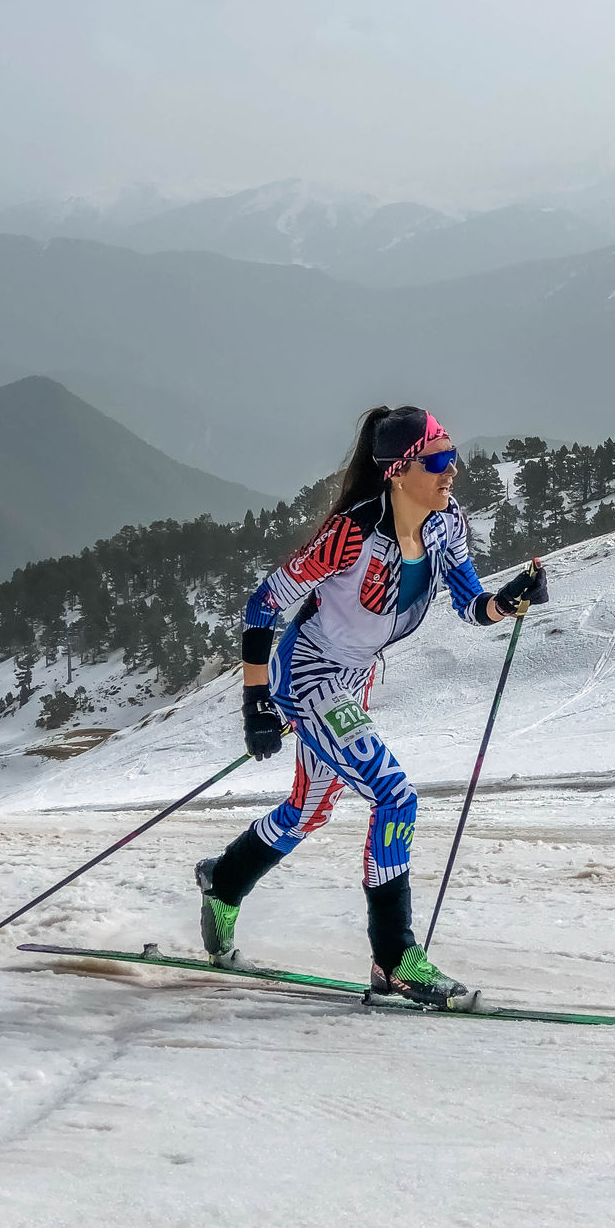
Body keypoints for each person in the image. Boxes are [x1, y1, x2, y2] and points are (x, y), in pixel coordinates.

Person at [195, 405, 548, 1007]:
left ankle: (224, 881)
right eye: (437, 460)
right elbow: (262, 607)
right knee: (394, 793)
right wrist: (256, 702)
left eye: (452, 456)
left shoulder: (444, 522)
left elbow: (469, 604)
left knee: (309, 808)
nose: (452, 471)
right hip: (310, 672)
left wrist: (508, 600)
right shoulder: (350, 534)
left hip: (354, 677)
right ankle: (394, 958)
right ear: (398, 470)